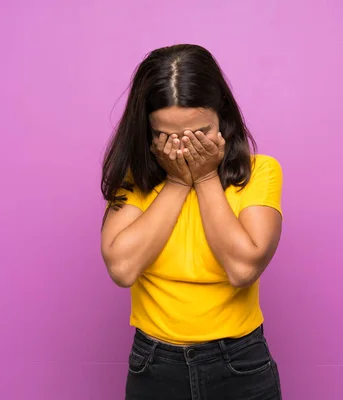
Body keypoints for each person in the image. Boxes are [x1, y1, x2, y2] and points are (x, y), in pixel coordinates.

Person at [100, 44, 284, 400]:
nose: (184, 149)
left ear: (222, 121)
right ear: (148, 131)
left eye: (198, 134)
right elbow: (122, 269)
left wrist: (204, 179)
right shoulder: (134, 179)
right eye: (168, 137)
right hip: (155, 365)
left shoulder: (261, 172)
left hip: (240, 363)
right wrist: (178, 182)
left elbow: (243, 268)